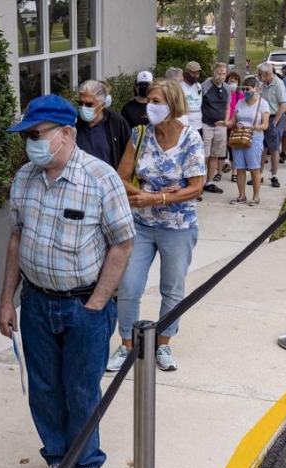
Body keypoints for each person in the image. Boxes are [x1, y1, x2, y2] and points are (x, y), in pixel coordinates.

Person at [0, 94, 135, 468]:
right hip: (37, 303)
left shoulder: (101, 178)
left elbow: (123, 244)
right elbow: (17, 241)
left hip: (83, 306)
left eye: (35, 135)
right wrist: (7, 300)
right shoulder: (25, 178)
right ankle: (58, 457)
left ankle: (87, 464)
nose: (29, 143)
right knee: (44, 388)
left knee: (81, 389)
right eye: (26, 136)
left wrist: (97, 302)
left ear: (66, 133)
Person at [107, 79, 205, 374]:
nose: (150, 106)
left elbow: (196, 187)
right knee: (128, 286)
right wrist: (145, 197)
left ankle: (163, 343)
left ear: (173, 104)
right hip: (141, 224)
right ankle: (126, 345)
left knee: (172, 288)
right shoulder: (139, 135)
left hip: (179, 226)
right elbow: (120, 177)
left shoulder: (191, 139)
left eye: (157, 101)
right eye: (149, 100)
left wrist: (155, 197)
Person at [224, 76, 270, 206]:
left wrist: (257, 127)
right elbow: (233, 120)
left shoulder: (263, 104)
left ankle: (256, 197)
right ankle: (241, 195)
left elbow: (265, 125)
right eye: (243, 89)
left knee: (254, 168)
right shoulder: (240, 103)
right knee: (240, 168)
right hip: (239, 138)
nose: (245, 91)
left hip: (254, 138)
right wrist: (225, 123)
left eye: (248, 89)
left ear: (255, 89)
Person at [181, 61, 221, 195]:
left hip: (198, 125)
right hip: (185, 125)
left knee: (199, 157)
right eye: (192, 72)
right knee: (186, 157)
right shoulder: (180, 87)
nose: (196, 75)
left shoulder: (198, 86)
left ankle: (198, 185)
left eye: (198, 72)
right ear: (186, 73)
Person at [76, 79, 131, 169]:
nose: (83, 107)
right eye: (81, 103)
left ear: (101, 105)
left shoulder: (116, 123)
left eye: (89, 104)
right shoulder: (74, 123)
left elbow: (128, 156)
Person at [256, 63, 286, 189]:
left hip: (274, 118)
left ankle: (274, 176)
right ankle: (259, 175)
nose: (259, 77)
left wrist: (275, 122)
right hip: (262, 118)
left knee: (274, 148)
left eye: (261, 75)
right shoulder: (262, 84)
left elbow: (283, 105)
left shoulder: (279, 84)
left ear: (268, 73)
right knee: (261, 147)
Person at [202, 62, 231, 185]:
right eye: (219, 73)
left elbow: (228, 107)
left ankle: (209, 182)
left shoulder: (227, 88)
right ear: (214, 72)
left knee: (215, 154)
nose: (221, 76)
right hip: (206, 124)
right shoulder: (204, 86)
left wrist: (225, 121)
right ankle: (200, 183)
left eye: (224, 73)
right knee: (205, 155)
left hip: (220, 126)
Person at [222, 70, 245, 177]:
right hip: (223, 124)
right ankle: (221, 168)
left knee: (233, 149)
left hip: (234, 126)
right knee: (223, 149)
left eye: (235, 81)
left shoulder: (240, 95)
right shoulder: (223, 93)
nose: (233, 83)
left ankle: (234, 172)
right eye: (231, 81)